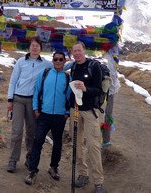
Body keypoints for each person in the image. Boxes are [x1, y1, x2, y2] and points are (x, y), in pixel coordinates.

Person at [24, 51, 71, 185]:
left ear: (64, 61)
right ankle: (32, 170)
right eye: (55, 59)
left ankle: (53, 167)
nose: (58, 61)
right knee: (38, 141)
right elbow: (36, 91)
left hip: (59, 116)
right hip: (44, 115)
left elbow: (69, 97)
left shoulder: (68, 78)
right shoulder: (44, 74)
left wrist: (66, 113)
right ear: (52, 60)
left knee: (57, 143)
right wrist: (35, 109)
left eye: (61, 59)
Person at [6, 36, 52, 173]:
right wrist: (10, 100)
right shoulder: (21, 61)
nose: (34, 47)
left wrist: (74, 63)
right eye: (32, 45)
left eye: (37, 45)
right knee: (17, 132)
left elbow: (58, 65)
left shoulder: (44, 63)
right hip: (18, 99)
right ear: (29, 47)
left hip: (33, 101)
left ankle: (30, 158)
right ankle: (13, 160)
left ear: (40, 48)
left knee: (32, 132)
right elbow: (13, 81)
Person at [69, 41, 106, 193]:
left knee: (93, 146)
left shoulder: (94, 66)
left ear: (84, 50)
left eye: (79, 50)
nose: (77, 53)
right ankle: (83, 175)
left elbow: (97, 90)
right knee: (77, 145)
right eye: (74, 51)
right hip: (75, 110)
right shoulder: (73, 67)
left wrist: (85, 88)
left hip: (90, 111)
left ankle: (99, 183)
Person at [101, 46, 120, 148]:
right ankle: (104, 140)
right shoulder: (109, 59)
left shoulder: (110, 59)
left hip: (107, 93)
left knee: (106, 115)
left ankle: (105, 140)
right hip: (104, 94)